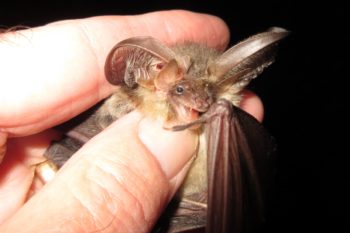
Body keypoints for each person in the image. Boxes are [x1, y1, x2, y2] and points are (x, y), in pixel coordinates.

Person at [0, 10, 263, 232]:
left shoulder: (222, 121)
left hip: (193, 199)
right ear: (158, 83)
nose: (200, 101)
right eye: (182, 90)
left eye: (208, 92)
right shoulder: (127, 103)